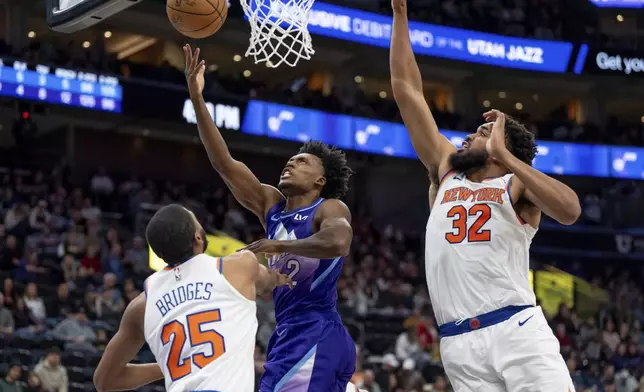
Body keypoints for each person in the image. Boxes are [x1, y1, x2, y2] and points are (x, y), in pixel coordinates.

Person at [389, 0, 582, 390]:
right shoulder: (447, 173)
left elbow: (570, 209)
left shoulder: (516, 185)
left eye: (481, 133)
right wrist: (400, 15)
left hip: (517, 330)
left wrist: (507, 157)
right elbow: (407, 90)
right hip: (458, 343)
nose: (467, 136)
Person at [184, 44, 358, 392]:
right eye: (290, 159)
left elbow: (339, 242)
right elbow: (224, 163)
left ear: (320, 181)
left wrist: (278, 243)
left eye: (303, 162)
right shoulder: (272, 205)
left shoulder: (329, 207)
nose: (291, 163)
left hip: (315, 329)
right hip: (292, 332)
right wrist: (197, 99)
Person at [93, 204, 291, 392]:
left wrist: (169, 365)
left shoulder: (141, 306)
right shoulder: (239, 266)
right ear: (197, 238)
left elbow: (105, 380)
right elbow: (271, 281)